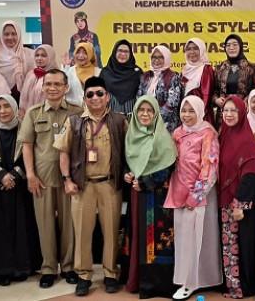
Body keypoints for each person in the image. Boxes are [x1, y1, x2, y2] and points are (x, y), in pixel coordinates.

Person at [56, 76, 129, 297]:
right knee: (82, 232)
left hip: (110, 184)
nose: (95, 98)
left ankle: (110, 273)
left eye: (99, 93)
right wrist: (67, 179)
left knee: (111, 231)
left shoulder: (119, 120)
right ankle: (84, 275)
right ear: (85, 98)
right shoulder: (74, 121)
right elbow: (63, 152)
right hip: (82, 186)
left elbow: (131, 150)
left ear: (107, 97)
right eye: (90, 94)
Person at [19, 69, 83, 288]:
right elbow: (27, 146)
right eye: (48, 84)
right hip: (42, 178)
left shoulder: (77, 112)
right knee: (44, 224)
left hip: (70, 179)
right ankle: (48, 269)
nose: (52, 88)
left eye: (57, 84)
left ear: (66, 87)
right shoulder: (33, 113)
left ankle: (68, 267)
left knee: (69, 224)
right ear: (42, 87)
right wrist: (30, 175)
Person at [0, 94, 42, 286]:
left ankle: (22, 267)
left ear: (15, 108)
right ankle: (1, 270)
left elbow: (32, 155)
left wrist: (14, 175)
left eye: (7, 106)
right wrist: (1, 176)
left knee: (22, 227)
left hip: (20, 189)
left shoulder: (26, 130)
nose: (3, 111)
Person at [164, 95, 222, 300]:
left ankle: (191, 283)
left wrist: (195, 196)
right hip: (178, 193)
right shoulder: (177, 133)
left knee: (196, 239)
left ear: (200, 112)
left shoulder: (207, 133)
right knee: (183, 240)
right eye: (183, 110)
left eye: (191, 111)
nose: (186, 115)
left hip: (198, 196)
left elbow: (210, 167)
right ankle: (185, 279)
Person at [123, 95, 178, 299]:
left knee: (155, 240)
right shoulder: (131, 135)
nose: (145, 114)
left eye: (149, 110)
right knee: (137, 235)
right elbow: (126, 161)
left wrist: (145, 182)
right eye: (141, 110)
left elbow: (169, 165)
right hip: (136, 196)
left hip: (156, 198)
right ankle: (136, 280)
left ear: (156, 114)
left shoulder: (163, 136)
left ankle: (156, 285)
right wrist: (128, 174)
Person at [218, 95, 255, 298]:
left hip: (240, 203)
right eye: (225, 110)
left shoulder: (246, 140)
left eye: (233, 110)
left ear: (242, 112)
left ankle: (244, 287)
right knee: (229, 245)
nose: (228, 114)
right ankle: (232, 286)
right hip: (226, 200)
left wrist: (239, 205)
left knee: (243, 244)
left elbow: (250, 175)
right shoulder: (225, 134)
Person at [138, 45, 183, 132]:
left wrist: (155, 118)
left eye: (160, 57)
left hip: (166, 125)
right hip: (146, 120)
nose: (156, 60)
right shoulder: (145, 76)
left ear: (166, 58)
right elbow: (139, 97)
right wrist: (145, 114)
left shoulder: (174, 77)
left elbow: (172, 102)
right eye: (154, 57)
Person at [214, 34, 255, 122]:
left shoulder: (250, 68)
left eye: (235, 44)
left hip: (243, 111)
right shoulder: (219, 68)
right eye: (228, 45)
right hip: (223, 113)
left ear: (241, 47)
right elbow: (214, 90)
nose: (231, 48)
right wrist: (216, 100)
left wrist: (247, 100)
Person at [0, 20, 35, 102]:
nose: (10, 37)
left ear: (19, 35)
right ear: (1, 36)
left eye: (14, 34)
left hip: (26, 99)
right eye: (6, 34)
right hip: (1, 100)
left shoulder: (29, 54)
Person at [101, 39, 142, 116]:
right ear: (114, 52)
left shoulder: (137, 72)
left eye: (126, 51)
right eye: (120, 51)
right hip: (109, 117)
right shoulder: (105, 73)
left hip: (132, 117)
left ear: (130, 54)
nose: (123, 54)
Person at [19, 44, 59, 117]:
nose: (39, 58)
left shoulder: (56, 75)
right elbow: (23, 96)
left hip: (48, 116)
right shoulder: (30, 74)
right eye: (37, 55)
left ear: (51, 57)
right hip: (28, 116)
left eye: (43, 56)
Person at [182, 38, 215, 123]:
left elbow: (206, 96)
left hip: (202, 116)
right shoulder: (185, 70)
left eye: (195, 48)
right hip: (186, 116)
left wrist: (197, 115)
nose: (192, 52)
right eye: (189, 49)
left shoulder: (206, 69)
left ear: (201, 50)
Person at [65, 42, 101, 108]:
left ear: (90, 54)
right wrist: (65, 67)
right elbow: (63, 89)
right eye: (78, 52)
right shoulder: (70, 71)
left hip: (94, 109)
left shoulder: (99, 72)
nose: (81, 56)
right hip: (73, 110)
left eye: (85, 53)